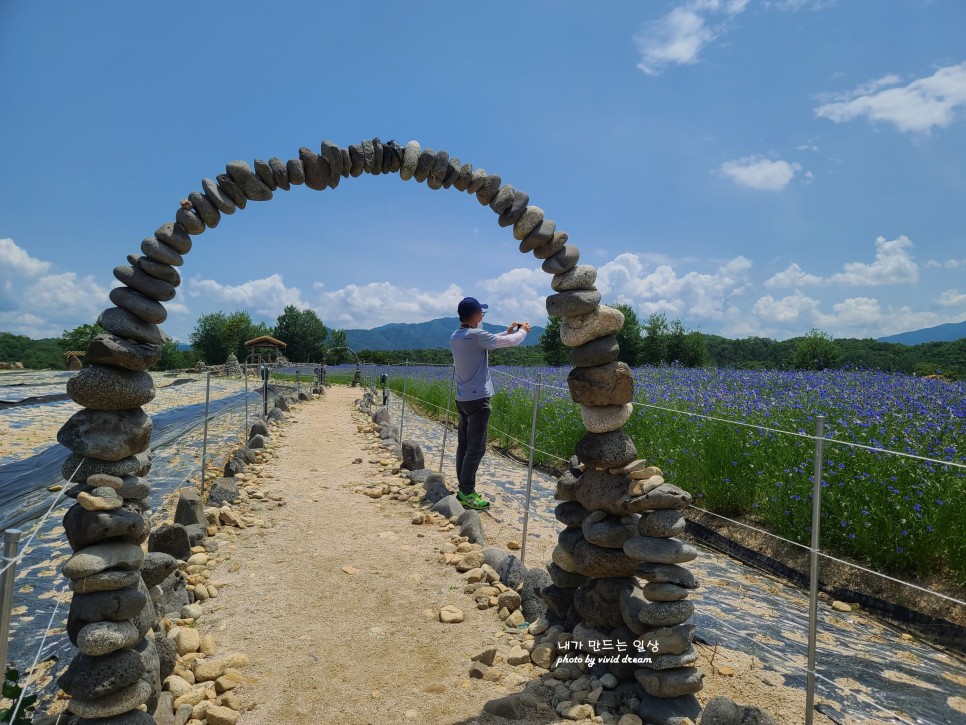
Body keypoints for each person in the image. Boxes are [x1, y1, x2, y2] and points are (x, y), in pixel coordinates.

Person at [449, 296, 531, 510]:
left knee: (464, 446)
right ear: (475, 315)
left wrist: (507, 331)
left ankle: (463, 488)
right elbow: (508, 343)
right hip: (478, 400)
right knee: (476, 448)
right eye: (481, 313)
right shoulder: (476, 335)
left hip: (463, 398)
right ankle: (467, 492)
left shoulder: (457, 336)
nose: (482, 317)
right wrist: (522, 332)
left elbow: (491, 339)